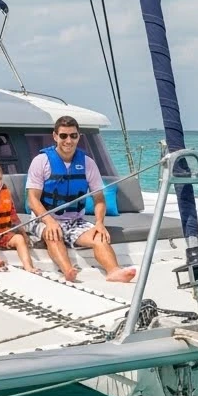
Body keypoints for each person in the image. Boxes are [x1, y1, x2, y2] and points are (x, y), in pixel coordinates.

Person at [25, 116, 136, 283]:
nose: (68, 140)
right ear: (55, 136)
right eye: (63, 136)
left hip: (75, 220)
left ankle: (114, 271)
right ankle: (68, 270)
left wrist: (99, 223)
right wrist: (49, 221)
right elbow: (33, 200)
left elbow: (99, 199)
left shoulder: (88, 163)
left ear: (79, 136)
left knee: (99, 237)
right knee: (53, 235)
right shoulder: (41, 162)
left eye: (73, 136)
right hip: (44, 218)